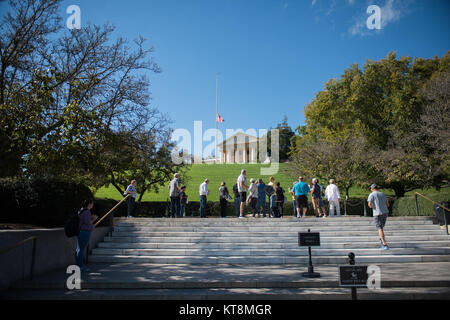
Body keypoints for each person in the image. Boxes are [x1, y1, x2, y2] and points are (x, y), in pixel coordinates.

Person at [76, 199, 98, 273]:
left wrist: (91, 217)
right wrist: (94, 219)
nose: (92, 205)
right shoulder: (87, 212)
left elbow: (84, 221)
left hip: (81, 232)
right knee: (81, 250)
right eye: (92, 204)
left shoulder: (82, 210)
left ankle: (78, 265)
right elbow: (88, 223)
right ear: (89, 204)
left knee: (79, 249)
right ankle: (80, 266)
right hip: (85, 232)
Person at [368, 184, 390, 250]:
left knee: (380, 228)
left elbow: (369, 204)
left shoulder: (372, 194)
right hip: (385, 212)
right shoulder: (383, 194)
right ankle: (381, 238)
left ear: (372, 188)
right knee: (381, 227)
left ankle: (384, 243)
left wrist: (372, 207)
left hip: (377, 213)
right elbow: (388, 204)